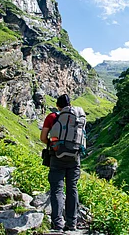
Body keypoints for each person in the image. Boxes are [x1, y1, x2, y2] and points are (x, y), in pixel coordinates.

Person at [40, 94, 82, 232]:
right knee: (72, 189)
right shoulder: (77, 117)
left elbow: (43, 138)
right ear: (70, 105)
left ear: (58, 105)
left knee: (57, 190)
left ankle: (57, 224)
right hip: (74, 158)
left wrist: (54, 145)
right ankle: (72, 223)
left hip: (57, 157)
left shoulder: (52, 117)